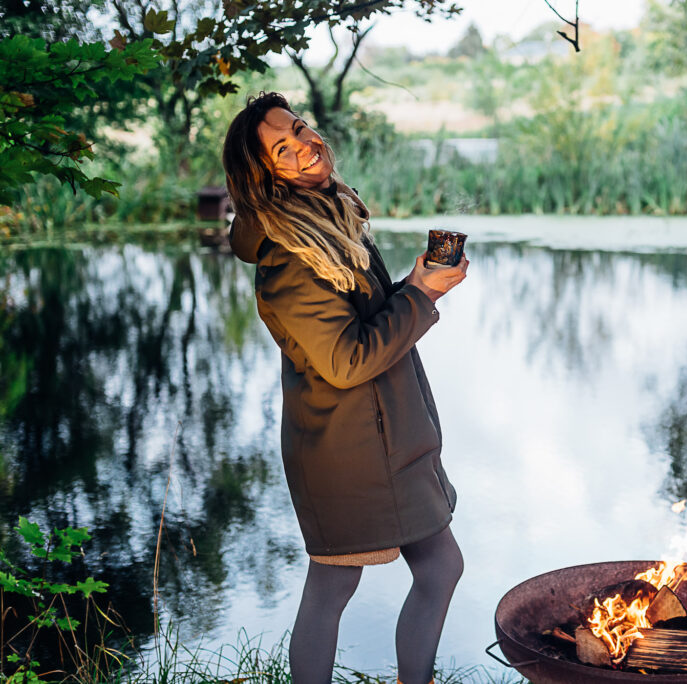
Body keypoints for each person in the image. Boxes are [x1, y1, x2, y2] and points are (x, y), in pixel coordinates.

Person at [222, 91, 468, 684]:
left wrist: (415, 282)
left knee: (438, 567)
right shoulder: (290, 260)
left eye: (300, 129)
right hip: (348, 454)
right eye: (283, 149)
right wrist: (423, 295)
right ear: (265, 177)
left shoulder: (329, 219)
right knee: (334, 586)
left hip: (390, 439)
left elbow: (369, 322)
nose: (305, 146)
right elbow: (346, 361)